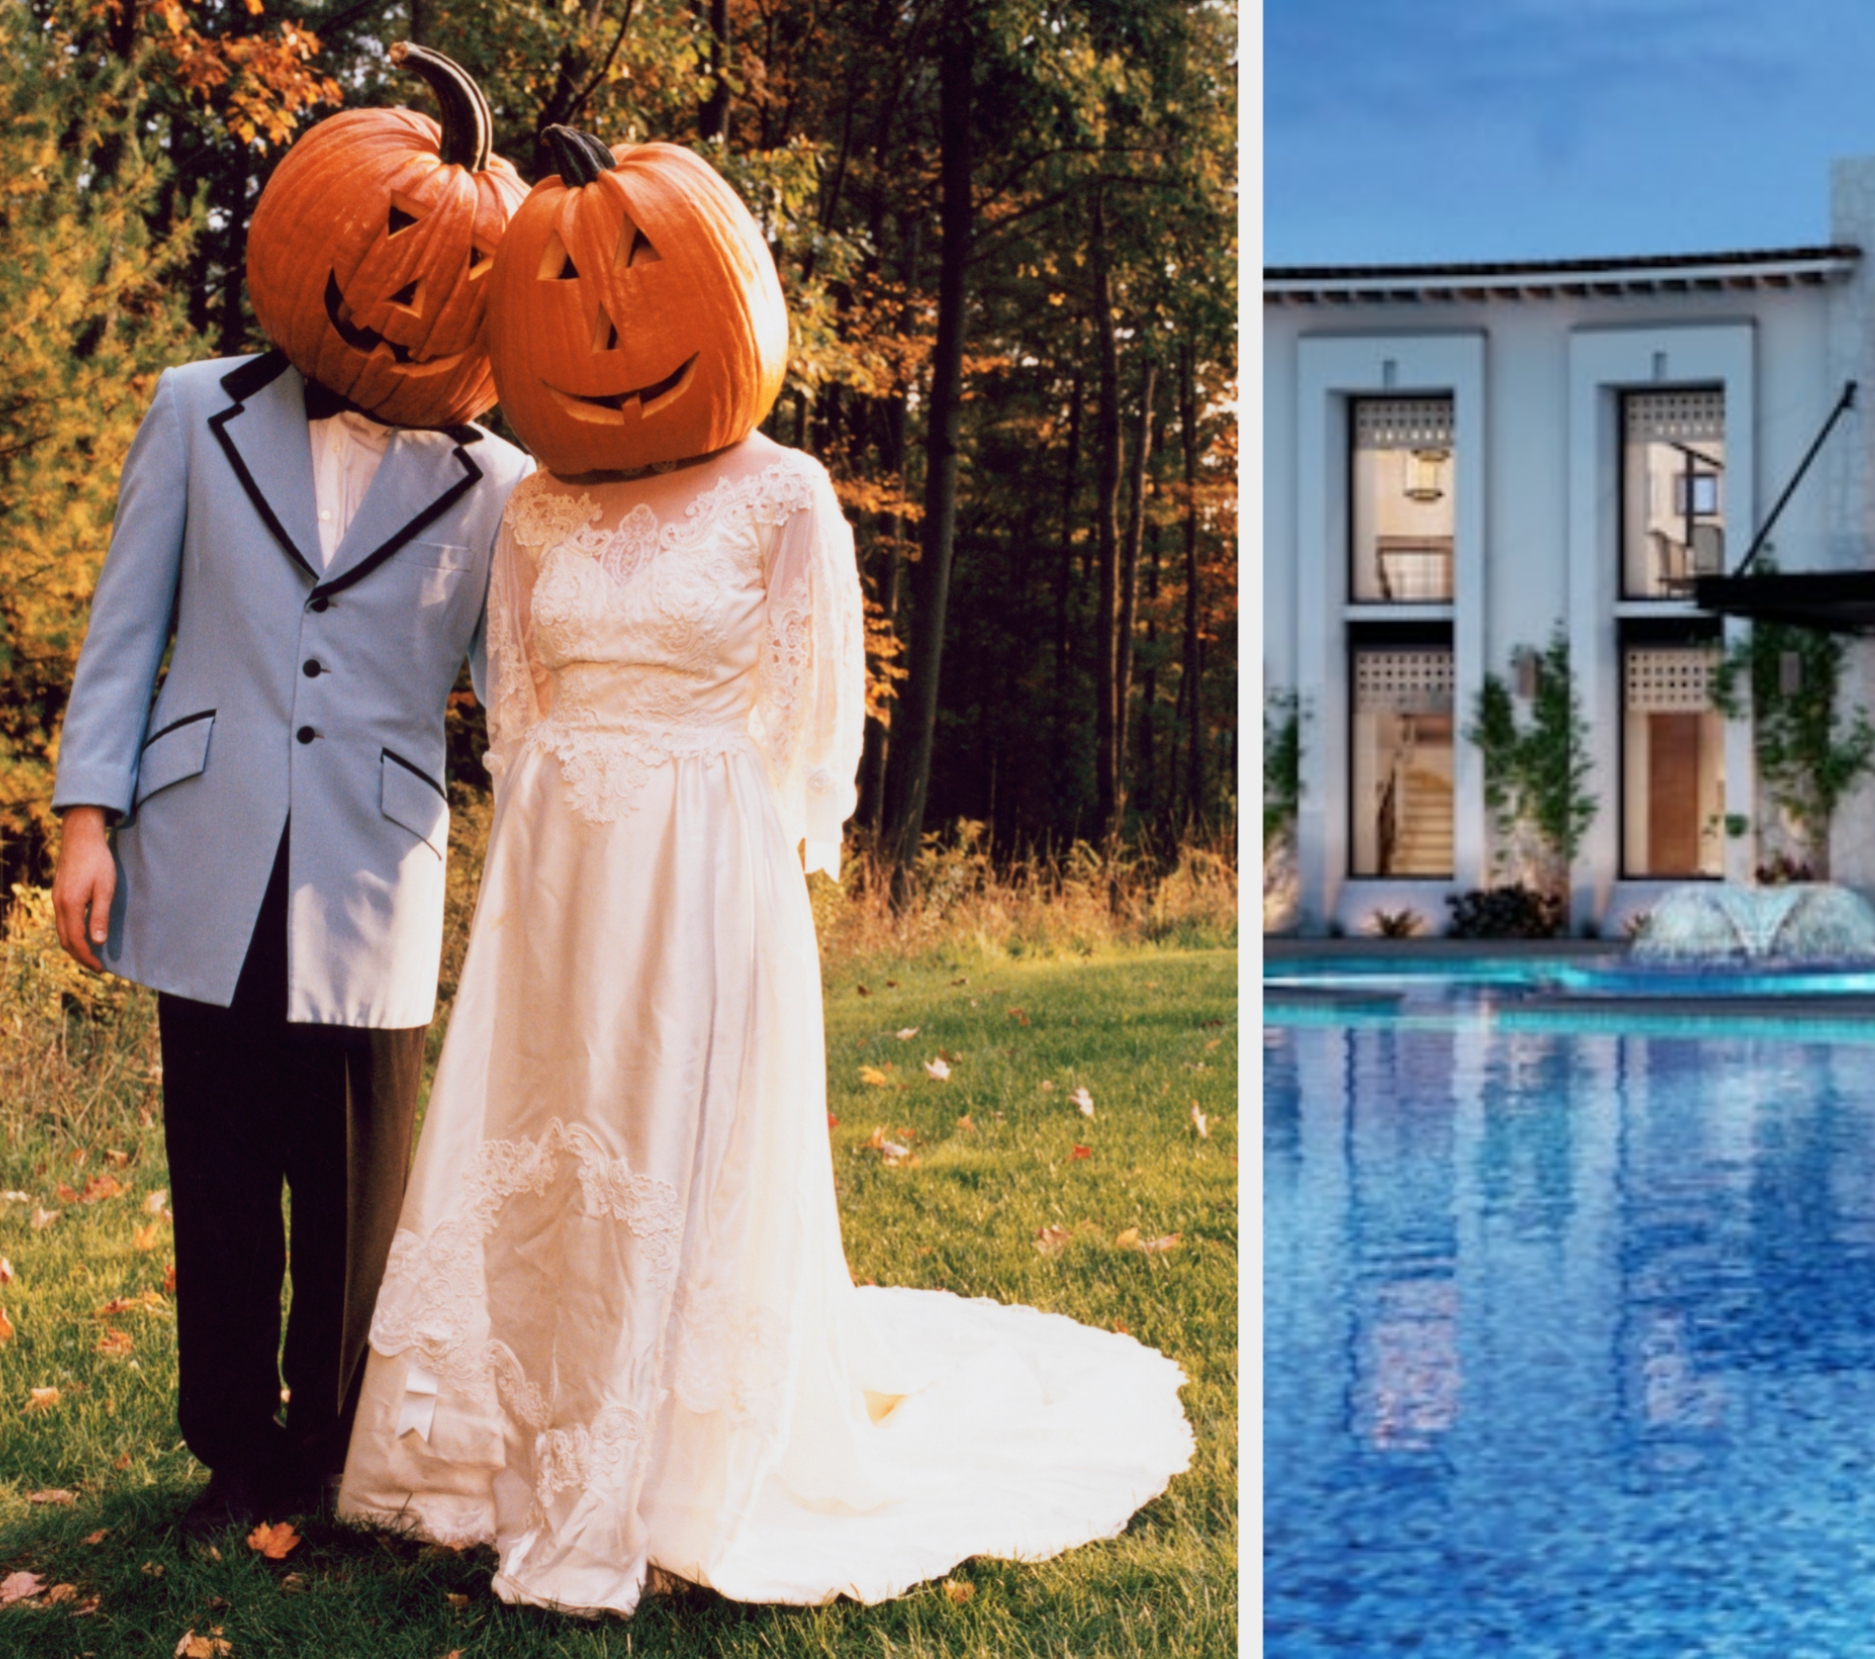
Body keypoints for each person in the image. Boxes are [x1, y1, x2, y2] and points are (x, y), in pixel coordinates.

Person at [334, 128, 1194, 1615]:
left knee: (682, 1131)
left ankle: (674, 1462)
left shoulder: (784, 492)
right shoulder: (536, 503)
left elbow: (811, 720)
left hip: (705, 856)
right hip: (560, 863)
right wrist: (547, 826)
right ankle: (505, 1439)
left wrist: (769, 846)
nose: (602, 329)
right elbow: (518, 698)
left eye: (641, 284)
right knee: (550, 1133)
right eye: (565, 295)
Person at [47, 46, 530, 1538]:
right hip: (202, 842)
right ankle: (229, 1450)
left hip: (374, 859)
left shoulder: (499, 484)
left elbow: (514, 697)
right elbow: (129, 625)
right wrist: (85, 819)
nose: (403, 290)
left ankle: (331, 1451)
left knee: (353, 1189)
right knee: (223, 1165)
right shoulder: (195, 410)